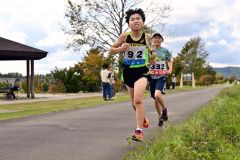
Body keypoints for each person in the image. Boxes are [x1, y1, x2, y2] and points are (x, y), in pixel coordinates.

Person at [109, 8, 156, 141]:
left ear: (143, 22)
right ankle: (142, 119)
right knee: (133, 104)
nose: (135, 21)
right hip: (128, 71)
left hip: (142, 71)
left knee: (138, 99)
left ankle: (139, 132)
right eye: (132, 19)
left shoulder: (146, 37)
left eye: (138, 19)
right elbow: (111, 50)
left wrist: (153, 56)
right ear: (129, 23)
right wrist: (120, 49)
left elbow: (151, 51)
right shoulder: (124, 36)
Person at [148, 32, 172, 127]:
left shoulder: (165, 51)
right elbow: (145, 62)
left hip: (162, 75)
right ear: (152, 40)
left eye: (159, 38)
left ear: (162, 40)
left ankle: (164, 110)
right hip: (152, 76)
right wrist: (149, 64)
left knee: (157, 95)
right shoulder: (149, 51)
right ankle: (160, 117)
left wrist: (170, 69)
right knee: (155, 99)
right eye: (155, 38)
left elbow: (169, 60)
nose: (157, 39)